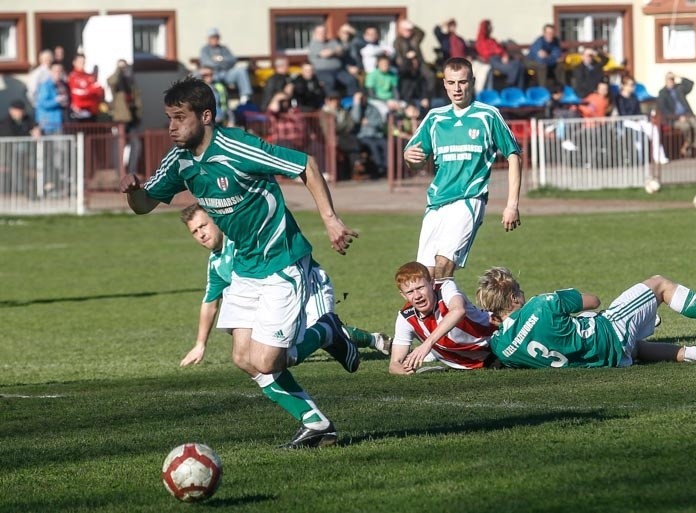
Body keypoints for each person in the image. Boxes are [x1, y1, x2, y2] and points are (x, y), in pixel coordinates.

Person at [119, 76, 360, 449]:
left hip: (282, 260)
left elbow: (306, 165)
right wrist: (135, 194)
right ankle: (317, 424)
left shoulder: (237, 146)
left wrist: (330, 220)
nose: (171, 127)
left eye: (180, 118)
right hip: (246, 267)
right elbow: (145, 205)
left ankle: (327, 330)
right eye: (169, 118)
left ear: (206, 116)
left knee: (267, 361)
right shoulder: (179, 160)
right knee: (244, 359)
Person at [178, 203, 390, 368]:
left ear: (215, 220)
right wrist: (200, 344)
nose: (201, 234)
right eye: (195, 232)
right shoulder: (215, 264)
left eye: (203, 226)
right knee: (284, 351)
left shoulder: (242, 240)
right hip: (281, 299)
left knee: (317, 331)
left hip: (308, 283)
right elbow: (210, 303)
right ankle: (374, 339)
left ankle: (366, 339)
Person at [474, 267, 696, 369]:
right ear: (513, 299)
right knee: (660, 284)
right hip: (610, 331)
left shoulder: (502, 347)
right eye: (519, 291)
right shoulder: (540, 304)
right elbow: (593, 300)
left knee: (639, 348)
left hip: (607, 360)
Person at [403, 57, 522, 280]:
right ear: (445, 84)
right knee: (425, 277)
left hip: (468, 199)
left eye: (462, 82)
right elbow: (414, 158)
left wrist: (511, 205)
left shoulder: (487, 115)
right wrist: (409, 157)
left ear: (472, 82)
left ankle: (455, 314)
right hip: (436, 203)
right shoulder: (435, 118)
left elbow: (513, 155)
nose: (457, 88)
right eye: (451, 82)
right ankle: (466, 315)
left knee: (443, 266)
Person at [390, 261, 496, 375]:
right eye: (410, 292)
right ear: (403, 295)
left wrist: (427, 344)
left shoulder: (445, 288)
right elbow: (394, 364)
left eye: (420, 288)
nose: (417, 296)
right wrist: (405, 371)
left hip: (497, 339)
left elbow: (458, 311)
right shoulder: (406, 317)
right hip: (475, 363)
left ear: (432, 283)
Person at [615, 76, 669, 165]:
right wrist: (635, 119)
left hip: (637, 120)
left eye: (633, 85)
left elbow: (638, 111)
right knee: (638, 130)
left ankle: (659, 157)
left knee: (653, 129)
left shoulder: (634, 97)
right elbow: (623, 113)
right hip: (625, 121)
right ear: (624, 86)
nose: (633, 87)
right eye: (630, 85)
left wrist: (642, 118)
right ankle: (640, 159)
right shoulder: (618, 98)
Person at [107, 59, 143, 175]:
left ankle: (132, 171)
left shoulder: (132, 82)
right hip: (121, 118)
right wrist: (119, 69)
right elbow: (111, 81)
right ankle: (119, 172)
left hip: (132, 118)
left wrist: (139, 115)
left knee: (136, 144)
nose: (125, 70)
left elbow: (137, 99)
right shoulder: (117, 83)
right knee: (119, 144)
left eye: (125, 67)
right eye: (122, 68)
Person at [199, 28, 253, 104]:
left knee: (241, 70)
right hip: (213, 75)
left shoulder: (224, 49)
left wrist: (220, 59)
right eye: (212, 37)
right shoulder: (205, 50)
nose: (214, 39)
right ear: (208, 39)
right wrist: (222, 62)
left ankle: (245, 96)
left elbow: (233, 60)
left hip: (226, 74)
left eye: (216, 37)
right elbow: (206, 63)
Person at [656, 72, 696, 157]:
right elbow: (663, 110)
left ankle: (694, 147)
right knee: (686, 127)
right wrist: (677, 117)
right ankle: (688, 145)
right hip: (673, 119)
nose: (671, 82)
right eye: (669, 80)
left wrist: (678, 75)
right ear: (665, 81)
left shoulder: (679, 89)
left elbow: (690, 83)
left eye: (672, 80)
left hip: (687, 114)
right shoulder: (662, 93)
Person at [0, 99, 40, 196]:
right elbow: (10, 136)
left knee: (41, 161)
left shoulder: (27, 119)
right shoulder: (5, 122)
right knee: (16, 167)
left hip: (27, 153)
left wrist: (36, 130)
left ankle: (47, 185)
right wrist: (29, 134)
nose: (19, 113)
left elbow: (34, 127)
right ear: (11, 110)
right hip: (10, 154)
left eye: (20, 110)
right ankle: (25, 190)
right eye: (17, 110)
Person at [307, 24, 359, 97]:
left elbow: (341, 52)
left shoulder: (332, 41)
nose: (322, 34)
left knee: (351, 80)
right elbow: (325, 54)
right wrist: (335, 51)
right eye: (320, 32)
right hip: (322, 71)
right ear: (315, 33)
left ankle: (351, 102)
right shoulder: (314, 44)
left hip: (338, 70)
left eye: (324, 32)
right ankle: (331, 102)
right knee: (329, 81)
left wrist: (333, 51)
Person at [474, 19, 525, 90]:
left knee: (520, 65)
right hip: (493, 60)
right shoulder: (481, 41)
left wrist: (504, 55)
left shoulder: (492, 40)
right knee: (514, 68)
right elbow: (487, 53)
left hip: (501, 58)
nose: (491, 29)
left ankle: (519, 89)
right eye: (489, 27)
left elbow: (500, 49)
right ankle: (509, 86)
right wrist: (501, 53)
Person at [393, 20, 435, 102]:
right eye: (406, 29)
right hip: (406, 64)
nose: (408, 31)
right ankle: (407, 100)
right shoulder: (398, 41)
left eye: (409, 30)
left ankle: (428, 97)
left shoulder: (414, 38)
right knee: (408, 80)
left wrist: (412, 25)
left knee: (430, 76)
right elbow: (398, 56)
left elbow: (422, 33)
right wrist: (407, 57)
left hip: (419, 62)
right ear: (401, 30)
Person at [351, 89, 387, 178]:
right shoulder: (355, 107)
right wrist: (356, 103)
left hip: (376, 134)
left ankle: (388, 167)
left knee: (386, 145)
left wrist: (368, 122)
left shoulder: (373, 108)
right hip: (363, 136)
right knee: (373, 146)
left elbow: (380, 123)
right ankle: (380, 168)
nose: (362, 99)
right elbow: (356, 118)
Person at [67, 54, 105, 122]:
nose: (82, 64)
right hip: (79, 110)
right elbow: (77, 93)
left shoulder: (89, 76)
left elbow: (99, 91)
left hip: (92, 110)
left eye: (83, 62)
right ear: (74, 63)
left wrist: (88, 91)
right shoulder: (72, 76)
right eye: (80, 62)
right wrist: (90, 91)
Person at [526, 24, 566, 88]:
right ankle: (543, 89)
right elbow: (541, 59)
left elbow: (557, 55)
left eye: (551, 33)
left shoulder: (556, 41)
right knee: (542, 66)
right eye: (548, 33)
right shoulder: (539, 41)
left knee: (560, 65)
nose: (550, 35)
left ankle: (561, 88)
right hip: (530, 61)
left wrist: (549, 57)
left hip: (547, 62)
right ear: (544, 33)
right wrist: (553, 58)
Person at [35, 63, 69, 135]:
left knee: (63, 145)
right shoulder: (45, 85)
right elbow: (42, 103)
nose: (58, 73)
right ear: (50, 72)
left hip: (61, 121)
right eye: (55, 71)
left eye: (60, 71)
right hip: (48, 123)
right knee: (49, 145)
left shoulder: (63, 85)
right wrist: (56, 101)